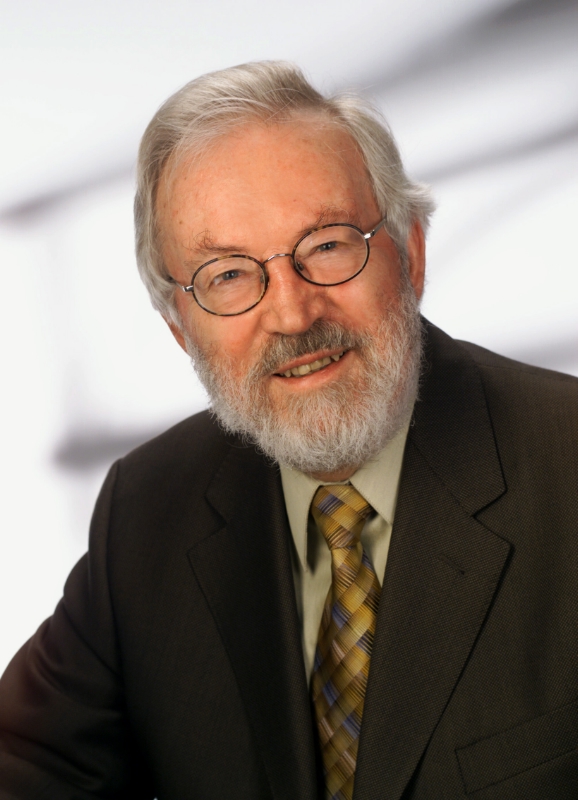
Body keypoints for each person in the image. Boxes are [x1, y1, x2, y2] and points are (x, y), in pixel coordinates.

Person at [0, 61, 577, 800]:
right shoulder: (146, 511)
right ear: (181, 329)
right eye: (228, 275)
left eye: (328, 245)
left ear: (411, 252)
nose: (294, 314)